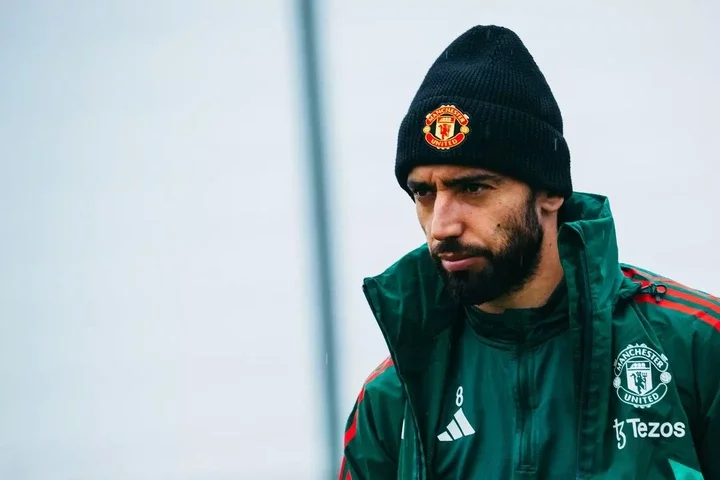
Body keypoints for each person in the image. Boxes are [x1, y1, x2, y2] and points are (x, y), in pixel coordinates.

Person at [337, 25, 720, 479]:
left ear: (549, 192)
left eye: (473, 187)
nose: (442, 225)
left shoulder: (696, 349)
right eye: (424, 193)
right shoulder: (394, 396)